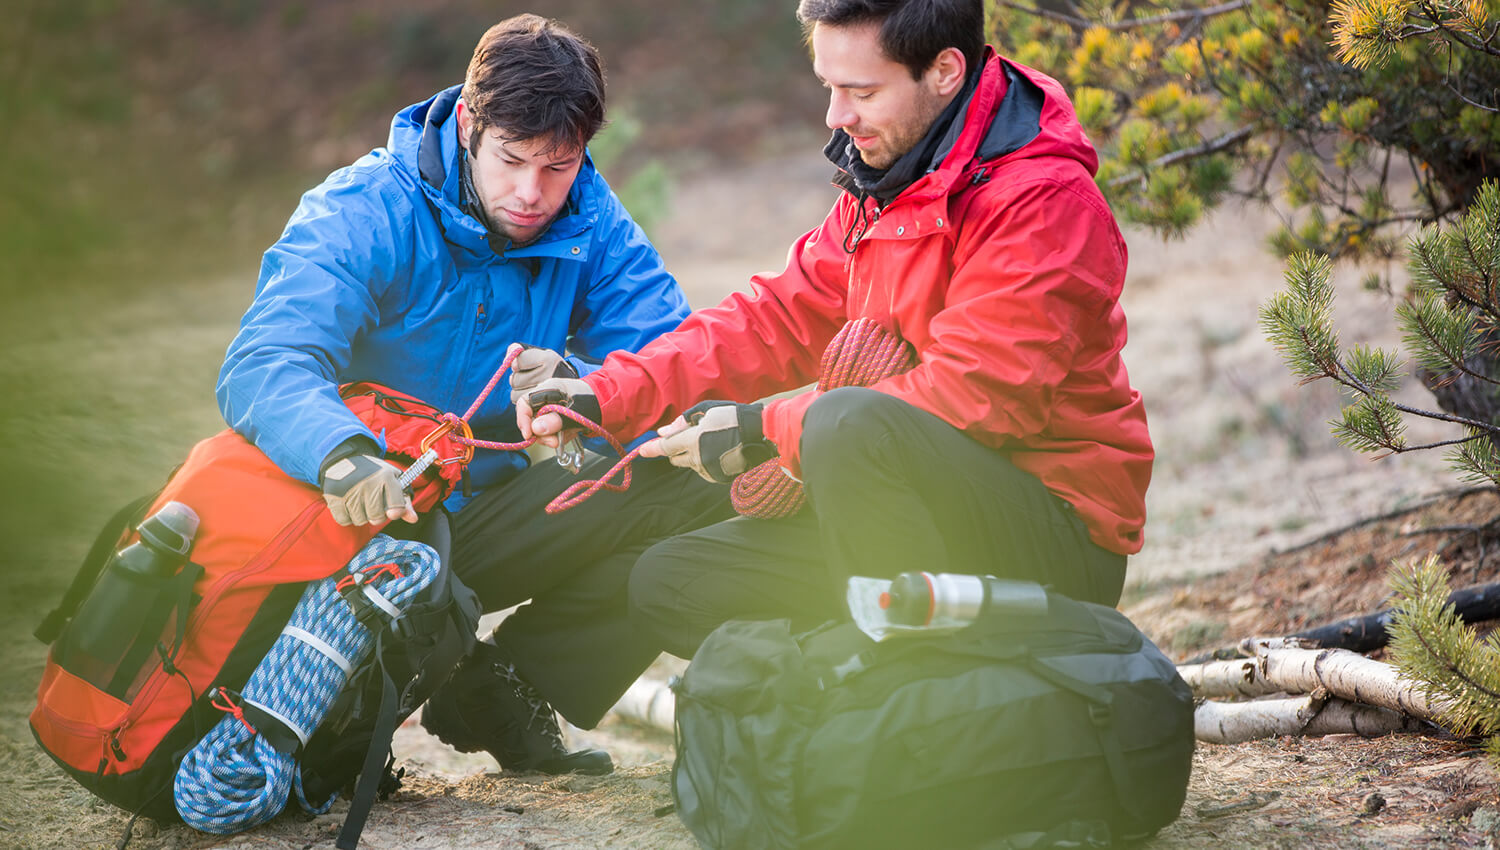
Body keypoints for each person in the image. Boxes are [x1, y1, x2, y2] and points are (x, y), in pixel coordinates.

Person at [519, 0, 1154, 660]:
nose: (837, 117)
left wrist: (765, 431)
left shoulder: (1042, 196)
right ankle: (854, 696)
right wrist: (609, 394)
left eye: (861, 91)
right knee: (670, 585)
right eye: (830, 87)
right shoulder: (892, 171)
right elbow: (777, 319)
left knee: (847, 423)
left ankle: (912, 689)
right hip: (906, 504)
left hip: (1051, 534)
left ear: (944, 71)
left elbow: (984, 394)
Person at [216, 14, 733, 776]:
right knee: (317, 770)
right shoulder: (362, 209)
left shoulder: (590, 216)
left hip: (484, 519)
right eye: (511, 159)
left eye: (557, 166)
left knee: (692, 474)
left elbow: (672, 358)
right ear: (467, 122)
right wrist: (341, 455)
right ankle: (344, 710)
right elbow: (266, 361)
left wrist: (584, 393)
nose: (531, 193)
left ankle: (509, 686)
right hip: (352, 528)